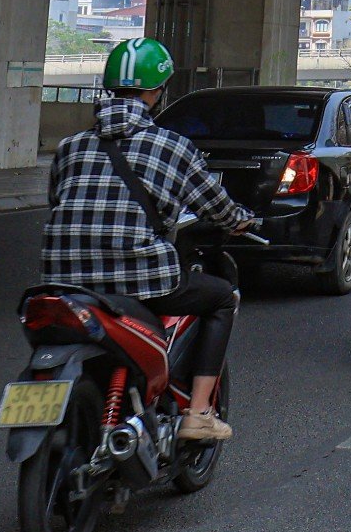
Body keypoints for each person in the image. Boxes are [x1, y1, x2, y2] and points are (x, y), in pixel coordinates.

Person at [41, 39, 257, 443]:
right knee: (222, 297)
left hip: (64, 282)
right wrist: (242, 221)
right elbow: (218, 209)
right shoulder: (171, 146)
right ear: (158, 92)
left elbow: (56, 199)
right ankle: (197, 414)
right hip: (142, 279)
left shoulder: (70, 146)